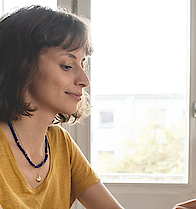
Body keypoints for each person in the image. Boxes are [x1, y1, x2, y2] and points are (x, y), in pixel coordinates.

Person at [0, 5, 124, 209]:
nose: (85, 80)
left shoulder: (60, 143)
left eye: (83, 65)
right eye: (68, 65)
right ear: (22, 66)